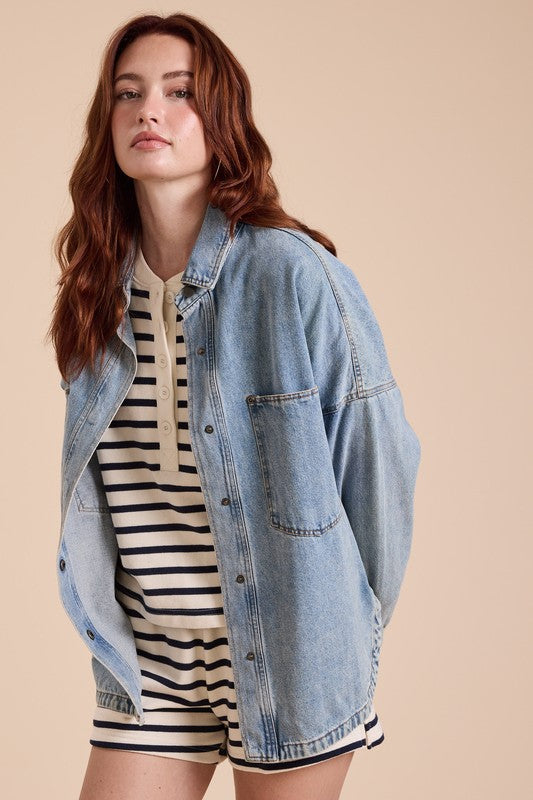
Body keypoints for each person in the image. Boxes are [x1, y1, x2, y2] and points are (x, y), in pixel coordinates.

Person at [47, 10, 422, 800]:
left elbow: (379, 463)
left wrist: (340, 623)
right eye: (127, 93)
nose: (148, 111)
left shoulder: (291, 273)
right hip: (152, 658)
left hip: (288, 647)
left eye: (178, 92)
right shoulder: (95, 289)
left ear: (222, 120)